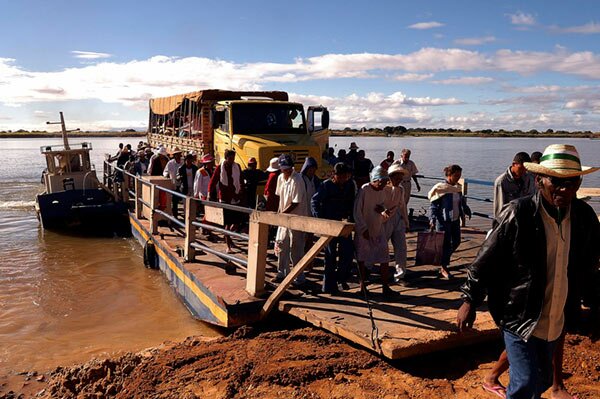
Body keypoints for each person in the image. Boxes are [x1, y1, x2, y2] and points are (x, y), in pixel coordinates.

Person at [457, 144, 600, 399]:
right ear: (539, 180)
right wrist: (469, 299)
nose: (565, 190)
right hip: (519, 314)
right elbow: (485, 259)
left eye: (571, 182)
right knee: (525, 382)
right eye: (556, 182)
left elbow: (589, 266)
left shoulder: (584, 217)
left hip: (555, 317)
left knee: (543, 379)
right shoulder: (518, 213)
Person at [312, 162, 356, 294]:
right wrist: (320, 220)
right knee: (330, 256)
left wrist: (352, 220)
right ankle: (328, 286)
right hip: (330, 225)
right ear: (334, 175)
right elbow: (314, 201)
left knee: (347, 254)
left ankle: (341, 279)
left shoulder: (350, 185)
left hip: (344, 225)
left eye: (345, 176)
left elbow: (352, 203)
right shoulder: (326, 185)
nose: (343, 178)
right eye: (340, 176)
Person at [353, 166, 396, 297]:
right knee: (361, 258)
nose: (384, 184)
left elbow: (381, 207)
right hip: (364, 230)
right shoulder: (364, 190)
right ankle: (362, 287)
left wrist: (384, 212)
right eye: (382, 182)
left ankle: (385, 286)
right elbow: (357, 211)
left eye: (385, 182)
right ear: (375, 180)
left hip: (378, 228)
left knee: (384, 258)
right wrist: (362, 228)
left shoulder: (382, 192)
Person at [428, 164, 471, 279]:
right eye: (456, 176)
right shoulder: (441, 188)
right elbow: (433, 205)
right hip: (443, 220)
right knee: (445, 244)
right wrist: (432, 219)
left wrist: (466, 211)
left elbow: (461, 202)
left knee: (456, 241)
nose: (458, 178)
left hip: (455, 220)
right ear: (449, 175)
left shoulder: (457, 188)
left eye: (460, 176)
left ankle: (443, 260)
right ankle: (444, 267)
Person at [273, 154, 309, 285]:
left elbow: (295, 202)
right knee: (281, 244)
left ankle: (299, 276)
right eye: (284, 169)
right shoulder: (280, 178)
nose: (286, 171)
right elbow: (279, 197)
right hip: (283, 219)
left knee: (296, 249)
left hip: (296, 218)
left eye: (288, 168)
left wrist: (282, 213)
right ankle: (281, 272)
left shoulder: (297, 179)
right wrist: (279, 214)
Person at [208, 149, 244, 253]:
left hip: (235, 197)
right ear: (226, 158)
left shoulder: (237, 167)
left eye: (233, 158)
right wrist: (210, 194)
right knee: (227, 223)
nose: (232, 160)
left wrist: (241, 190)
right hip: (225, 198)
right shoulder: (220, 168)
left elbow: (240, 180)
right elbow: (213, 181)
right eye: (230, 158)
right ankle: (228, 245)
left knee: (237, 222)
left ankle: (228, 236)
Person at [384, 163, 410, 281]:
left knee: (401, 247)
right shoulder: (383, 189)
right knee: (381, 244)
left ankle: (400, 273)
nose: (398, 181)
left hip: (397, 219)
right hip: (385, 220)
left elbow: (402, 206)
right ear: (390, 177)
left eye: (400, 179)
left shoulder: (401, 189)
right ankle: (371, 267)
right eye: (396, 178)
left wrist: (406, 221)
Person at [493, 152, 535, 219]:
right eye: (521, 168)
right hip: (510, 220)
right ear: (514, 164)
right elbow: (499, 210)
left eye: (526, 169)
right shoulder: (501, 182)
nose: (524, 171)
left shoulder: (528, 178)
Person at [163, 149, 183, 218]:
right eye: (176, 155)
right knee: (174, 201)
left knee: (183, 200)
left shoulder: (183, 163)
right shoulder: (170, 163)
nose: (178, 156)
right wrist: (166, 176)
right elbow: (165, 172)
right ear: (174, 156)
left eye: (179, 155)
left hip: (182, 184)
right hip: (173, 183)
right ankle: (175, 215)